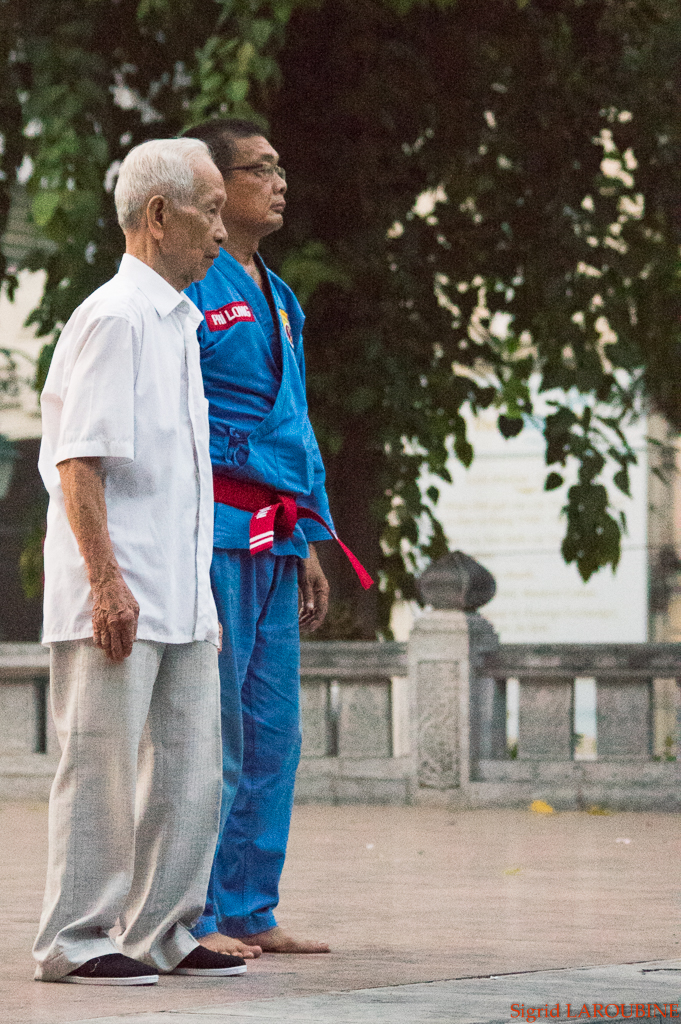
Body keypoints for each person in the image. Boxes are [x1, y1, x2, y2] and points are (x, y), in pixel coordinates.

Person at [32, 138, 249, 985]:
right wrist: (105, 581)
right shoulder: (115, 317)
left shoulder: (181, 326)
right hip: (114, 592)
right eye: (210, 212)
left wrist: (195, 593)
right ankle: (76, 939)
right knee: (100, 770)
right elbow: (79, 462)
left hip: (180, 593)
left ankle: (166, 927)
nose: (222, 234)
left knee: (192, 773)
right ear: (159, 217)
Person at [183, 119, 372, 960]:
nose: (279, 180)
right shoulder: (188, 286)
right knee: (212, 729)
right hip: (214, 533)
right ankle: (193, 913)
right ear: (215, 189)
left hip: (278, 537)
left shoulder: (281, 296)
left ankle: (250, 905)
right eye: (260, 168)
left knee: (272, 733)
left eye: (280, 164)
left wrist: (313, 538)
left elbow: (293, 427)